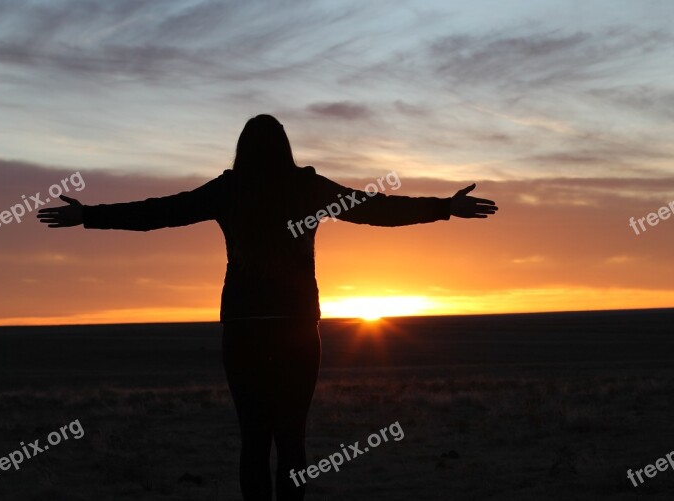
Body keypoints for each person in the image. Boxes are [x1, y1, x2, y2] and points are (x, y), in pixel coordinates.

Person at [37, 114, 497, 500]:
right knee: (291, 440)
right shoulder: (307, 188)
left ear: (241, 150)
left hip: (244, 329)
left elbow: (158, 213)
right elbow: (375, 208)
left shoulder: (229, 190)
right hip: (296, 328)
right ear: (286, 149)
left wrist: (88, 216)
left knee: (255, 441)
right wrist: (444, 207)